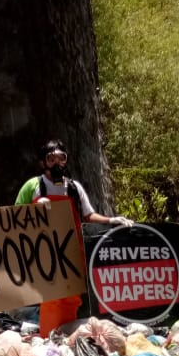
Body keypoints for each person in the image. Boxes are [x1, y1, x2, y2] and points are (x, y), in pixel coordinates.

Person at [15, 138, 131, 336]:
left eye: (62, 158)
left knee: (72, 297)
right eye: (51, 158)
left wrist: (111, 220)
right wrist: (35, 208)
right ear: (43, 162)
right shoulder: (32, 186)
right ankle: (48, 336)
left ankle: (66, 337)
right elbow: (15, 215)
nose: (57, 163)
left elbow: (88, 214)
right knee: (51, 296)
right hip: (45, 251)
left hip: (71, 250)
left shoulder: (74, 188)